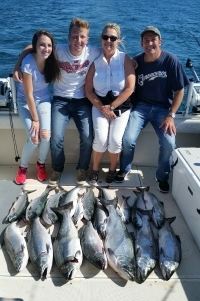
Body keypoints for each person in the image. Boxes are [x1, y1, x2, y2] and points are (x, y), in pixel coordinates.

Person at [14, 18, 100, 186]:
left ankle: (82, 168)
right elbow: (31, 48)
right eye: (74, 36)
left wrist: (132, 63)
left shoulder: (93, 52)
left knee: (88, 137)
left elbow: (112, 51)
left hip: (82, 101)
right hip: (60, 100)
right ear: (68, 37)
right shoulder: (57, 50)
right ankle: (58, 168)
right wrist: (17, 66)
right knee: (55, 138)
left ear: (87, 39)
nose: (78, 41)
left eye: (82, 37)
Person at [115, 26, 189, 192]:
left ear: (160, 41)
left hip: (163, 110)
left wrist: (171, 115)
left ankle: (162, 176)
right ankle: (124, 168)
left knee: (169, 144)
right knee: (127, 140)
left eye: (153, 40)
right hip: (140, 108)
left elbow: (180, 90)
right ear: (141, 44)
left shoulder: (171, 60)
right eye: (146, 40)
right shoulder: (137, 61)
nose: (149, 43)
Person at [85, 23, 135, 184]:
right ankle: (94, 169)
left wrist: (111, 107)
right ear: (101, 39)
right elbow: (88, 91)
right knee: (100, 138)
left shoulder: (125, 59)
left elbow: (129, 89)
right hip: (99, 106)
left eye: (112, 38)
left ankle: (113, 169)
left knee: (115, 140)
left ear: (118, 41)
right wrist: (102, 107)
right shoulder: (95, 61)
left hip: (121, 107)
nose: (108, 40)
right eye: (105, 37)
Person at [14, 30, 60, 185]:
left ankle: (41, 163)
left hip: (44, 99)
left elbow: (30, 46)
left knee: (46, 136)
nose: (46, 49)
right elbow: (29, 94)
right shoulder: (28, 62)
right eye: (41, 45)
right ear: (35, 46)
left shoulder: (52, 58)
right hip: (25, 101)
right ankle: (22, 167)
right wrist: (35, 119)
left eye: (49, 45)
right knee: (34, 138)